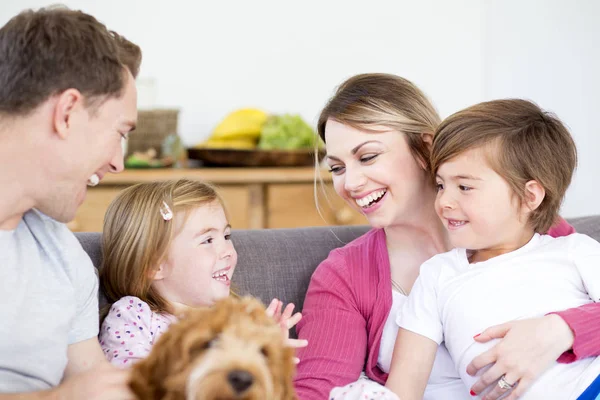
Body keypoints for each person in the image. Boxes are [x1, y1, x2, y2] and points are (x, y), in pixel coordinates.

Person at [294, 73, 600, 400]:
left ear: (425, 148)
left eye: (367, 157)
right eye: (337, 168)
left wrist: (560, 330)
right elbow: (320, 392)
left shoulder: (528, 225)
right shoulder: (346, 276)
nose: (350, 183)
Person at [386, 98, 600, 400]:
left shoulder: (573, 251)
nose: (444, 202)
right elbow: (403, 388)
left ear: (529, 196)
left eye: (464, 187)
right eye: (440, 185)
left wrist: (564, 328)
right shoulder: (437, 276)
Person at [0, 5, 141, 398]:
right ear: (67, 113)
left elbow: (98, 388)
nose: (118, 162)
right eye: (120, 132)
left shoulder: (61, 256)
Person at [99, 179, 307, 366]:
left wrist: (267, 357)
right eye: (208, 240)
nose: (227, 251)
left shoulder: (237, 321)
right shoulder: (134, 315)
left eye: (226, 236)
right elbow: (132, 384)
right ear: (155, 265)